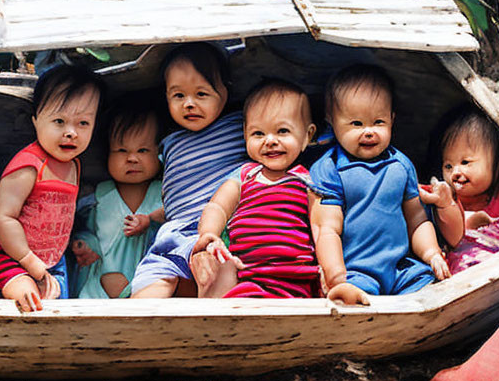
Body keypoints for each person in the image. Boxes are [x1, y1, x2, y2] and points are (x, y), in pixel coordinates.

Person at [309, 63, 450, 305]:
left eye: (378, 122)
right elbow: (328, 229)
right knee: (352, 296)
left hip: (400, 268)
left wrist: (431, 253)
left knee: (430, 285)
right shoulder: (330, 168)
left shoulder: (400, 164)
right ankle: (345, 293)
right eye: (356, 124)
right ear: (331, 121)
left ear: (392, 120)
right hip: (356, 271)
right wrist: (336, 276)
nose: (369, 132)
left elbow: (417, 220)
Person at [0, 64, 105, 311]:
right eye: (59, 121)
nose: (71, 133)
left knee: (60, 307)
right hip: (11, 256)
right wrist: (29, 261)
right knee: (29, 298)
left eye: (83, 123)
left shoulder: (74, 166)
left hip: (53, 261)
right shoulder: (29, 166)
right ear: (36, 121)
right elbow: (5, 217)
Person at [130, 42, 247, 297]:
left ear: (224, 95)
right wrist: (150, 218)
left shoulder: (239, 127)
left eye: (201, 94)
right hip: (174, 232)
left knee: (221, 276)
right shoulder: (168, 143)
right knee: (153, 280)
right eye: (178, 96)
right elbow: (177, 197)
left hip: (220, 233)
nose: (189, 104)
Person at [190, 79, 321, 298]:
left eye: (282, 131)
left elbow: (320, 225)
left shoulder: (308, 180)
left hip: (295, 276)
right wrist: (209, 234)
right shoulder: (245, 176)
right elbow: (218, 207)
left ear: (307, 135)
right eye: (258, 134)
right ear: (245, 135)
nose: (270, 141)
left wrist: (327, 267)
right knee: (222, 268)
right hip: (246, 274)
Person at [421, 105, 499, 273]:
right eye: (448, 165)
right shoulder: (446, 196)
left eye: (465, 162)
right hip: (465, 269)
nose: (455, 172)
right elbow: (451, 237)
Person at [70, 100, 164, 298]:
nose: (132, 159)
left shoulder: (163, 193)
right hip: (98, 288)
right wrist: (84, 246)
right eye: (122, 151)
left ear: (160, 154)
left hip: (150, 289)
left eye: (143, 151)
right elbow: (86, 231)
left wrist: (150, 221)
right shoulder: (98, 196)